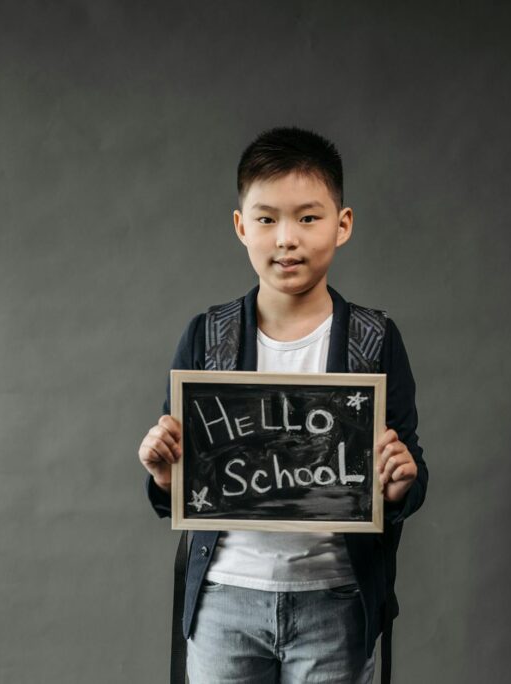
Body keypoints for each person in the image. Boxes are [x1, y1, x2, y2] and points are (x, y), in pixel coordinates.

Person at [137, 127, 427, 683]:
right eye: (267, 219)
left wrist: (400, 486)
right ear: (240, 226)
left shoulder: (373, 338)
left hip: (336, 598)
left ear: (342, 225)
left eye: (308, 218)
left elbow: (409, 472)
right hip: (225, 595)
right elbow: (179, 484)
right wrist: (162, 474)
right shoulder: (207, 336)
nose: (286, 238)